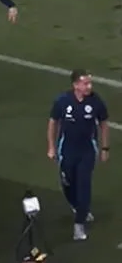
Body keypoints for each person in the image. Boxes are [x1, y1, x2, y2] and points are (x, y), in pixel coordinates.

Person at [47, 69, 109, 241]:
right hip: (66, 150)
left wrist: (105, 148)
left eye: (90, 83)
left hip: (87, 151)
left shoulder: (96, 102)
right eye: (85, 83)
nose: (89, 86)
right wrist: (51, 147)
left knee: (84, 184)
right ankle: (77, 206)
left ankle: (79, 223)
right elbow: (53, 123)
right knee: (67, 184)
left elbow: (103, 124)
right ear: (75, 85)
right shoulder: (62, 101)